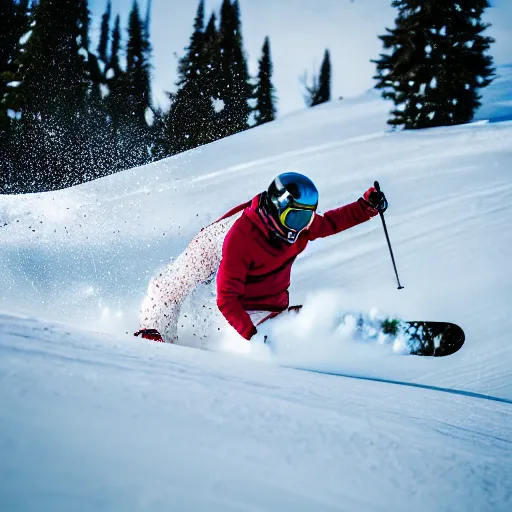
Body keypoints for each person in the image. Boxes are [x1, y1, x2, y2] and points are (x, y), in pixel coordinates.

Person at [135, 172, 387, 344]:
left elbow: (330, 222)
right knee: (174, 285)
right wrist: (251, 337)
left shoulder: (300, 226)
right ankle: (156, 333)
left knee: (250, 300)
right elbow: (225, 298)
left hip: (261, 298)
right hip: (214, 246)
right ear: (278, 212)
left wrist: (366, 207)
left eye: (307, 217)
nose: (300, 227)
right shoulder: (239, 238)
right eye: (294, 219)